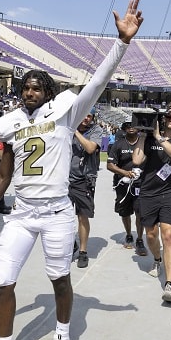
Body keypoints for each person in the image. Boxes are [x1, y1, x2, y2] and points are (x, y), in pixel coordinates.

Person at [0, 0, 142, 340]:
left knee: (59, 278)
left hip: (58, 211)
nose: (29, 91)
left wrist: (122, 44)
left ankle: (62, 334)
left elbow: (95, 84)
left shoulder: (65, 111)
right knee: (0, 280)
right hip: (23, 212)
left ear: (47, 91)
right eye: (25, 86)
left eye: (36, 86)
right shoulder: (8, 123)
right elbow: (3, 174)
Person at [132, 107, 171, 304]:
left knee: (168, 235)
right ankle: (157, 260)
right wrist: (143, 134)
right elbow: (137, 160)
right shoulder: (150, 138)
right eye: (168, 114)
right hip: (149, 192)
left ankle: (169, 284)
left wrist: (160, 138)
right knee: (151, 234)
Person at [68, 108, 103, 268]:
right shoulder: (67, 127)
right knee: (63, 218)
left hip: (84, 180)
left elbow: (90, 148)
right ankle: (69, 246)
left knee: (83, 216)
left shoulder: (96, 129)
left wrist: (74, 131)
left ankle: (82, 251)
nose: (86, 118)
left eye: (89, 116)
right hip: (65, 180)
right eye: (84, 115)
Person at [107, 121, 147, 256]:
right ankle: (129, 235)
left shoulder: (144, 143)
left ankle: (140, 239)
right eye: (128, 126)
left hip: (140, 184)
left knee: (140, 212)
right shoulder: (118, 143)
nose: (131, 128)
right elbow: (110, 165)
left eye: (134, 125)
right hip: (122, 184)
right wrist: (124, 173)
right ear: (125, 129)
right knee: (124, 212)